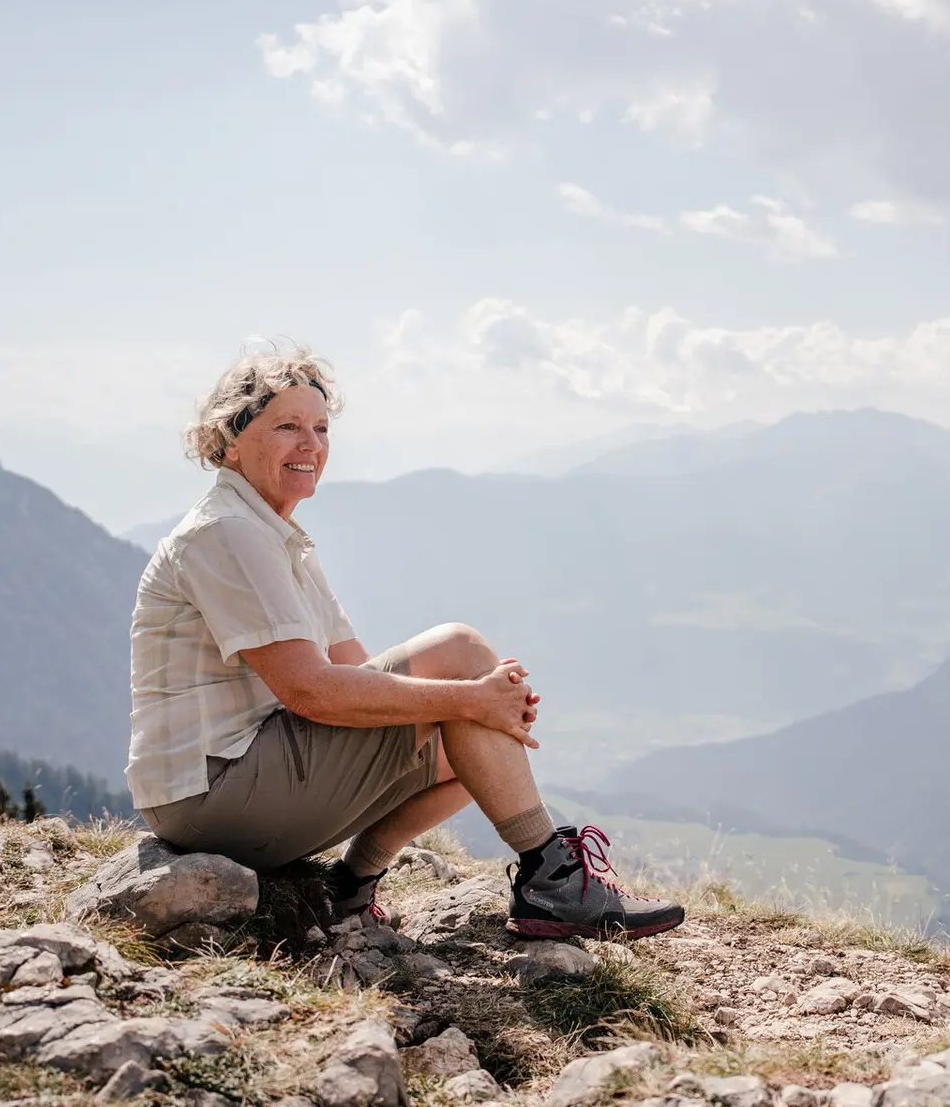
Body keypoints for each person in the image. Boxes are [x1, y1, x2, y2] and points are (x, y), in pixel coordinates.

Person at [127, 346, 682, 939]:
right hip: (212, 793)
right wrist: (467, 696)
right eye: (286, 426)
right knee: (462, 654)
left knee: (480, 743)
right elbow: (311, 692)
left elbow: (356, 673)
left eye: (320, 427)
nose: (310, 444)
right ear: (229, 440)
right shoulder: (229, 533)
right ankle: (550, 876)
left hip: (232, 785)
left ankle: (350, 888)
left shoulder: (273, 535)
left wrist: (476, 708)